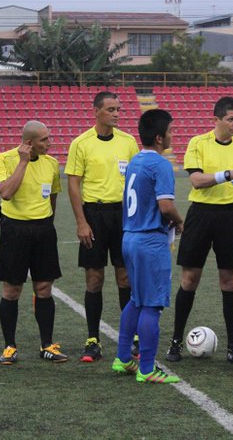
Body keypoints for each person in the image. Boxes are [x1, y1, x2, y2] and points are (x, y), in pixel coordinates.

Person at [165, 96, 233, 365]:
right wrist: (227, 174)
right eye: (231, 119)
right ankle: (176, 341)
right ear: (216, 119)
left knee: (230, 281)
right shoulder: (198, 143)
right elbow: (196, 180)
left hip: (229, 217)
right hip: (200, 215)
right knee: (189, 279)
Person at [65, 91, 139, 363]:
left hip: (123, 215)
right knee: (94, 278)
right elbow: (74, 183)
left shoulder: (128, 142)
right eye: (111, 109)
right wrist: (81, 221)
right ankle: (92, 338)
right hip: (94, 214)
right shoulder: (81, 143)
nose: (117, 113)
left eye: (118, 109)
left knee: (125, 277)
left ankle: (131, 336)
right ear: (96, 111)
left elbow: (135, 180)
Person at [111, 109, 185, 384]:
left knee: (136, 300)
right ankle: (147, 369)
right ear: (158, 137)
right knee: (152, 305)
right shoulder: (161, 165)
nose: (173, 135)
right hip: (150, 240)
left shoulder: (135, 161)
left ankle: (123, 358)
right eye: (170, 131)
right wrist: (180, 221)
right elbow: (166, 206)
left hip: (130, 235)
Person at [0, 120, 67, 365]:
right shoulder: (4, 159)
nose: (49, 143)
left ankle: (47, 345)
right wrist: (23, 162)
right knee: (12, 290)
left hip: (44, 229)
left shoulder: (52, 164)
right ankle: (9, 347)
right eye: (44, 140)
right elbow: (6, 192)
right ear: (29, 143)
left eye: (49, 138)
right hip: (14, 229)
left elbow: (53, 198)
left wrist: (47, 226)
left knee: (44, 288)